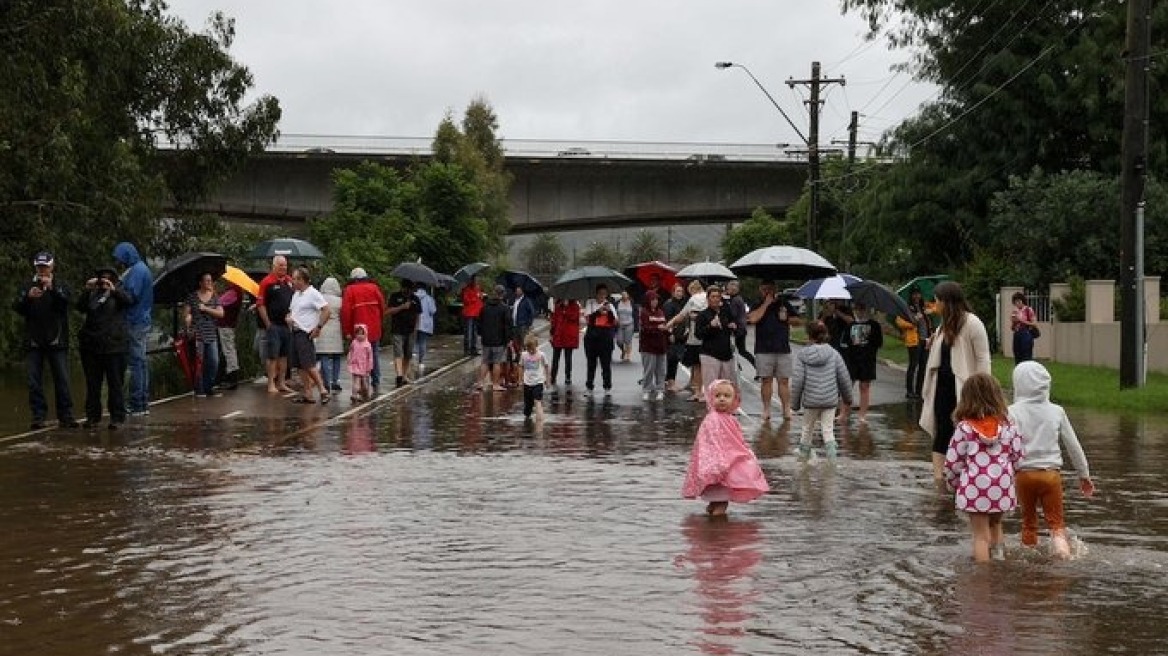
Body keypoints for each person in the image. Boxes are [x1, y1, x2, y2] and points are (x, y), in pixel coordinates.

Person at [1008, 361, 1095, 559]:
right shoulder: (1057, 411)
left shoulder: (1011, 411)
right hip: (1051, 475)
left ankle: (1027, 560)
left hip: (1023, 475)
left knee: (1029, 523)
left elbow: (1005, 444)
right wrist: (1084, 475)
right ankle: (1063, 556)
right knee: (1056, 525)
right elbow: (1073, 446)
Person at [943, 373, 1024, 562]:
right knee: (996, 526)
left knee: (980, 536)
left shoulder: (964, 428)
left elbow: (953, 463)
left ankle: (983, 577)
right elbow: (1018, 458)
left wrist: (954, 484)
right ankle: (999, 563)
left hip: (975, 488)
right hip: (1002, 487)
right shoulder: (1009, 426)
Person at [921, 281, 992, 486]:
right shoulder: (943, 325)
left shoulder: (972, 323)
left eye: (936, 301)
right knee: (942, 429)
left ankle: (966, 476)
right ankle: (939, 480)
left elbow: (983, 357)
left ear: (947, 301)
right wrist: (934, 343)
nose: (934, 305)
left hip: (964, 388)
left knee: (965, 430)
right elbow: (944, 353)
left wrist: (982, 389)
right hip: (942, 388)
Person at [681, 380, 770, 517]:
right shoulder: (712, 420)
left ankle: (710, 526)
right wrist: (722, 462)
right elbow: (709, 444)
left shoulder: (730, 419)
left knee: (716, 502)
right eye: (718, 396)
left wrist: (745, 452)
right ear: (711, 398)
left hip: (719, 469)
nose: (722, 399)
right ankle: (718, 532)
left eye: (727, 396)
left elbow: (737, 441)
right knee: (722, 504)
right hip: (718, 470)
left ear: (734, 399)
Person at [13, 251, 79, 430]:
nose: (42, 270)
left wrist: (53, 288)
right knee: (34, 380)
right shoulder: (27, 285)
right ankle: (38, 416)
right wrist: (28, 298)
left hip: (56, 339)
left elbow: (68, 303)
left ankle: (66, 415)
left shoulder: (61, 284)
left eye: (45, 266)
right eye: (39, 266)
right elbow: (17, 307)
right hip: (34, 339)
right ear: (35, 267)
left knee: (62, 379)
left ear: (52, 266)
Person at [76, 267, 131, 429]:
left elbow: (128, 301)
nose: (104, 282)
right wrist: (88, 289)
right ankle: (92, 416)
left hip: (114, 347)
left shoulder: (119, 293)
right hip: (91, 346)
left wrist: (113, 290)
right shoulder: (92, 294)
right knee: (93, 384)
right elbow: (79, 307)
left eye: (107, 279)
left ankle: (117, 417)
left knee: (115, 384)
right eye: (101, 279)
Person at [791, 321, 853, 460]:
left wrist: (795, 404)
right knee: (828, 430)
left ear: (809, 336)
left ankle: (803, 458)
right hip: (829, 401)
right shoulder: (834, 354)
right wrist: (848, 399)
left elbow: (798, 380)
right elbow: (844, 378)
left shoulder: (803, 356)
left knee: (807, 429)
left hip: (811, 401)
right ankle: (832, 460)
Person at [747, 280, 801, 422]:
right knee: (766, 380)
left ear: (775, 289)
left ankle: (786, 408)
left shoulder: (783, 303)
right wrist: (766, 304)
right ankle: (766, 409)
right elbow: (752, 319)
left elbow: (798, 321)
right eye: (765, 289)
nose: (767, 292)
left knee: (783, 380)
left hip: (782, 347)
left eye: (770, 289)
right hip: (763, 348)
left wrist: (787, 318)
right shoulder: (758, 303)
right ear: (760, 290)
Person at [113, 242, 153, 416]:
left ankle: (137, 403)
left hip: (134, 321)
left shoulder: (136, 271)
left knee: (136, 363)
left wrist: (115, 291)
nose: (119, 262)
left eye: (120, 258)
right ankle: (143, 402)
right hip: (143, 319)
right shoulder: (142, 268)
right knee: (142, 363)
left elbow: (131, 297)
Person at [286, 266, 331, 404]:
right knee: (300, 365)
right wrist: (289, 318)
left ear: (302, 280)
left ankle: (323, 390)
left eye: (295, 279)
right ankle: (308, 393)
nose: (293, 282)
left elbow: (326, 310)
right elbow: (292, 311)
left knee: (308, 363)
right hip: (295, 330)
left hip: (305, 332)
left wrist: (318, 327)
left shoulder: (313, 293)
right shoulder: (296, 295)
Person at [341, 267, 388, 394]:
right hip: (374, 328)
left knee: (359, 356)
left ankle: (361, 382)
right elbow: (383, 307)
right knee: (373, 354)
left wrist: (347, 331)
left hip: (358, 331)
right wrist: (380, 322)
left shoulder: (350, 290)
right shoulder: (374, 288)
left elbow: (346, 312)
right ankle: (375, 380)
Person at [182, 272, 225, 398]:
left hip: (211, 333)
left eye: (210, 280)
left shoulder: (214, 296)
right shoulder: (192, 297)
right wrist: (188, 319)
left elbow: (221, 313)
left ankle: (209, 386)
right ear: (200, 283)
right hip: (198, 334)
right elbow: (186, 313)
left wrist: (206, 309)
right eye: (206, 281)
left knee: (213, 361)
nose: (209, 283)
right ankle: (199, 389)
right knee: (199, 362)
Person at [256, 255, 295, 395]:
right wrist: (267, 323)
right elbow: (260, 304)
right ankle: (271, 383)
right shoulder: (266, 282)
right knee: (272, 355)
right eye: (280, 265)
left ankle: (282, 382)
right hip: (274, 324)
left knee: (284, 355)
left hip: (286, 324)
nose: (283, 268)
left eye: (285, 265)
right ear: (274, 266)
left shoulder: (289, 281)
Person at [841, 301, 883, 424]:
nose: (860, 312)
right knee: (848, 386)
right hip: (852, 360)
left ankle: (862, 414)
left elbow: (878, 343)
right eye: (857, 309)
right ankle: (844, 412)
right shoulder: (851, 325)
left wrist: (869, 338)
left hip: (867, 359)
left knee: (864, 386)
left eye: (862, 309)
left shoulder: (874, 325)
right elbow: (846, 342)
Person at [665, 280, 707, 400]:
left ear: (693, 290)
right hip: (707, 337)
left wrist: (669, 324)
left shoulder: (694, 299)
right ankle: (701, 391)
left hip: (695, 338)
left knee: (697, 365)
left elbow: (681, 315)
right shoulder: (708, 298)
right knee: (703, 365)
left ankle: (699, 392)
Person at [694, 285, 739, 389]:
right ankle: (710, 405)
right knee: (712, 388)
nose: (715, 299)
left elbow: (733, 325)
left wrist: (733, 326)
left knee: (726, 387)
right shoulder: (703, 315)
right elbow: (698, 335)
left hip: (726, 355)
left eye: (718, 297)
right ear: (708, 298)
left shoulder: (726, 312)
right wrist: (710, 326)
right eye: (713, 297)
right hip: (710, 354)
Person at [895, 286, 933, 399]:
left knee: (923, 366)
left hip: (925, 340)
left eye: (918, 294)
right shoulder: (907, 308)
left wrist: (930, 311)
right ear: (911, 296)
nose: (917, 296)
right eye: (914, 294)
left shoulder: (924, 306)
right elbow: (899, 322)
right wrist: (914, 320)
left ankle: (919, 391)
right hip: (914, 341)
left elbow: (938, 308)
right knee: (913, 365)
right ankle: (909, 391)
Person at [582, 284, 618, 396]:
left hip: (606, 337)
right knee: (591, 363)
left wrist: (610, 312)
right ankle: (589, 386)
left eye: (605, 294)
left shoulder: (610, 305)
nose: (603, 296)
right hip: (592, 338)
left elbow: (615, 322)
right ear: (596, 294)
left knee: (606, 364)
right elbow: (588, 319)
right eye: (600, 293)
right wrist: (598, 311)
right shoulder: (590, 303)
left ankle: (607, 386)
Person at [387, 279, 421, 388]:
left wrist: (416, 329)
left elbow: (418, 315)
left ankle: (405, 375)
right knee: (398, 352)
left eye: (410, 289)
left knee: (408, 353)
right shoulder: (394, 297)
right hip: (397, 329)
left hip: (410, 330)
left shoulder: (415, 299)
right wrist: (401, 307)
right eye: (405, 288)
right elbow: (388, 311)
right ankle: (399, 375)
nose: (407, 291)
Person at [477, 284, 510, 391]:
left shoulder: (485, 306)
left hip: (486, 339)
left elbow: (479, 322)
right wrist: (508, 339)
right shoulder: (504, 308)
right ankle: (495, 384)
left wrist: (482, 334)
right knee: (496, 362)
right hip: (499, 340)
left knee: (485, 362)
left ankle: (480, 382)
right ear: (502, 294)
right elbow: (507, 325)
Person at [315, 276, 345, 393]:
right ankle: (335, 381)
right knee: (337, 356)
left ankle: (326, 382)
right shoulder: (340, 300)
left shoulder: (319, 298)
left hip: (323, 328)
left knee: (324, 356)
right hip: (336, 329)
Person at [638, 290, 669, 401]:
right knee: (649, 369)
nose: (655, 301)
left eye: (656, 299)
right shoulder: (644, 312)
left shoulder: (660, 312)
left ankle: (660, 390)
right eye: (653, 299)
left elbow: (664, 325)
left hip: (661, 345)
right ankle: (646, 390)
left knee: (661, 369)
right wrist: (657, 328)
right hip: (648, 346)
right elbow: (645, 328)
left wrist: (667, 330)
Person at [216, 282, 244, 390]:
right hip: (229, 325)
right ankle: (224, 377)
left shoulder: (233, 292)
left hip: (226, 325)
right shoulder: (236, 292)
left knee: (229, 350)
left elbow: (219, 302)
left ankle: (232, 378)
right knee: (226, 350)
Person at [549, 297, 581, 385]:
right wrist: (552, 333)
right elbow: (554, 320)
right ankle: (553, 376)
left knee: (568, 357)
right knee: (555, 357)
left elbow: (574, 318)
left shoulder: (575, 306)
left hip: (568, 335)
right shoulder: (558, 305)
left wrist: (566, 309)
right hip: (558, 334)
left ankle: (568, 376)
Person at [662, 283, 688, 392]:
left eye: (681, 291)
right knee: (671, 358)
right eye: (677, 291)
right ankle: (670, 382)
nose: (680, 293)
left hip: (682, 335)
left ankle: (669, 380)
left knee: (676, 359)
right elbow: (667, 320)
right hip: (672, 334)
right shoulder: (669, 304)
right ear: (673, 292)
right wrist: (670, 333)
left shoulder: (683, 303)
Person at [519, 333, 550, 422]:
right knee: (528, 406)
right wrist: (520, 380)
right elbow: (520, 367)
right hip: (527, 382)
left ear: (536, 346)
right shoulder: (524, 355)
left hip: (538, 382)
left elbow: (547, 367)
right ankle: (527, 416)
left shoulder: (541, 355)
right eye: (528, 349)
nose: (531, 351)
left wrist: (547, 380)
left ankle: (540, 422)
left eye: (532, 349)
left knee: (538, 401)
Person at [724, 280, 753, 368]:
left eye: (728, 288)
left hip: (738, 328)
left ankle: (739, 366)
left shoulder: (735, 300)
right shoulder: (738, 298)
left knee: (740, 350)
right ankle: (738, 366)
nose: (727, 290)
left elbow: (733, 314)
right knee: (739, 350)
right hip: (742, 327)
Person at [414, 283, 438, 375]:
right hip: (425, 324)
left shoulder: (414, 296)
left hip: (415, 322)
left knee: (414, 341)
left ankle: (413, 358)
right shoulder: (429, 298)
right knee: (422, 342)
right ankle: (421, 361)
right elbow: (433, 311)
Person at [347, 323, 374, 403]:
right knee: (356, 380)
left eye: (362, 333)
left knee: (364, 383)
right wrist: (349, 359)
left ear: (366, 333)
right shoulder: (354, 342)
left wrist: (369, 367)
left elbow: (370, 357)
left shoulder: (367, 344)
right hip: (355, 365)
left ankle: (364, 394)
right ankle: (354, 395)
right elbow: (350, 351)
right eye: (357, 333)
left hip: (364, 366)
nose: (360, 335)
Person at [1010, 291, 1038, 364]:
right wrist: (1014, 322)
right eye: (1015, 302)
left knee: (1026, 356)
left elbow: (1034, 324)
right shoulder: (1015, 311)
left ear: (1022, 301)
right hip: (1017, 334)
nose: (1017, 303)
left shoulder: (1029, 310)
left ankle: (1027, 372)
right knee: (1017, 355)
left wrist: (1021, 320)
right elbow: (1012, 328)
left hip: (1026, 334)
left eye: (1019, 301)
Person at [460, 275, 484, 356]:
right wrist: (474, 298)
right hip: (469, 313)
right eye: (474, 280)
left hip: (476, 313)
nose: (475, 282)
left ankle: (473, 348)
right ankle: (467, 349)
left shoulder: (477, 289)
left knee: (474, 332)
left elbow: (480, 299)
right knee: (468, 332)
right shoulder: (466, 289)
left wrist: (480, 296)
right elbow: (466, 300)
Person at [614, 292, 636, 362]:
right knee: (619, 341)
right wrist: (616, 319)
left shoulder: (631, 303)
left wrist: (636, 324)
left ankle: (628, 355)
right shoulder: (617, 303)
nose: (624, 296)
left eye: (625, 294)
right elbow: (614, 313)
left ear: (628, 295)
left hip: (629, 324)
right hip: (620, 324)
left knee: (628, 340)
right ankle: (623, 350)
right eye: (622, 294)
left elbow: (635, 313)